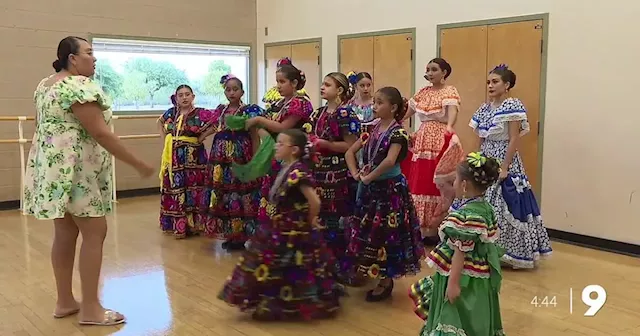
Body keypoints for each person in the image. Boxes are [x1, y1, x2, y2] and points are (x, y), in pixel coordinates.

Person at [23, 36, 154, 326]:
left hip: (55, 171)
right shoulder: (77, 86)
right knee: (95, 231)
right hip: (77, 171)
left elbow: (43, 126)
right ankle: (92, 308)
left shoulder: (46, 85)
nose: (94, 59)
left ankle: (65, 301)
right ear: (73, 58)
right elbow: (101, 133)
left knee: (65, 233)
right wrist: (137, 162)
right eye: (90, 53)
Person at [219, 129, 341, 320]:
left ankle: (287, 304)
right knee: (277, 264)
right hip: (281, 224)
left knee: (289, 265)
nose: (276, 146)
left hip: (293, 226)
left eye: (281, 143)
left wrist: (310, 221)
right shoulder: (287, 167)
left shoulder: (298, 171)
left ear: (293, 150)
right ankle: (273, 301)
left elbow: (315, 201)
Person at [409, 152, 505, 336]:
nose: (453, 184)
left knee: (455, 313)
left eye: (454, 180)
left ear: (464, 185)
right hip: (480, 274)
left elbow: (460, 253)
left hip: (460, 274)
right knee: (476, 311)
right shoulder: (486, 209)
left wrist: (453, 284)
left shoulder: (465, 216)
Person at [345, 87, 424, 302]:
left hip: (390, 191)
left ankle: (385, 279)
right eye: (375, 102)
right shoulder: (371, 128)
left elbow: (390, 160)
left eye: (379, 103)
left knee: (387, 234)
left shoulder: (398, 133)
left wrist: (369, 177)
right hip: (372, 190)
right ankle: (369, 272)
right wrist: (356, 173)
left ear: (394, 107)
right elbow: (350, 151)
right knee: (368, 231)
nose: (375, 106)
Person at [469, 64, 552, 269]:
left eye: (495, 81)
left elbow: (514, 139)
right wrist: (476, 158)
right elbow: (481, 137)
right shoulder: (485, 108)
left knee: (505, 202)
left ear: (507, 85)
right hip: (486, 157)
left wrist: (504, 167)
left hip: (504, 157)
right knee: (483, 201)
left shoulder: (512, 105)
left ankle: (506, 252)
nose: (490, 85)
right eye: (488, 82)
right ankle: (481, 249)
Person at [401, 58, 465, 246]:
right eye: (427, 69)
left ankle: (438, 226)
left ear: (444, 72)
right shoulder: (423, 92)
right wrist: (396, 123)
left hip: (438, 137)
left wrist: (450, 126)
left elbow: (452, 110)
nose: (429, 73)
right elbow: (408, 111)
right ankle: (420, 227)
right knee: (420, 180)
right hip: (422, 138)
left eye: (434, 69)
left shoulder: (449, 91)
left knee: (436, 181)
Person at [242, 58, 314, 222]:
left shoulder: (300, 103)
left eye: (282, 82)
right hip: (278, 153)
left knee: (289, 194)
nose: (278, 86)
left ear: (294, 83)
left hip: (293, 154)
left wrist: (259, 120)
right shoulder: (280, 103)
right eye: (277, 82)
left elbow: (282, 127)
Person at [198, 75, 264, 250]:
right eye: (228, 89)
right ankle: (230, 233)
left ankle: (242, 236)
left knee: (241, 195)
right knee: (224, 195)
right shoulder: (220, 110)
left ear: (242, 92)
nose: (231, 92)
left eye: (235, 89)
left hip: (240, 157)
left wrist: (256, 158)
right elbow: (213, 128)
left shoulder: (248, 111)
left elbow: (254, 136)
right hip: (220, 161)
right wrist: (202, 137)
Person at [309, 72, 360, 283]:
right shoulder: (319, 113)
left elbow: (352, 145)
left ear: (339, 90)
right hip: (318, 173)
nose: (323, 87)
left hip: (338, 174)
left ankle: (342, 268)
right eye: (322, 84)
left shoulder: (346, 114)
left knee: (337, 222)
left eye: (327, 85)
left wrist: (326, 145)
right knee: (321, 220)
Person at [157, 85, 214, 238]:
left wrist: (202, 137)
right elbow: (159, 123)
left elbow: (216, 122)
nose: (184, 98)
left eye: (187, 94)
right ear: (176, 98)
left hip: (194, 157)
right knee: (176, 188)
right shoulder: (171, 113)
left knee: (194, 188)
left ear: (193, 97)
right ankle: (179, 226)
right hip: (174, 157)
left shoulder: (201, 113)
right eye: (180, 95)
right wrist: (166, 141)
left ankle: (195, 225)